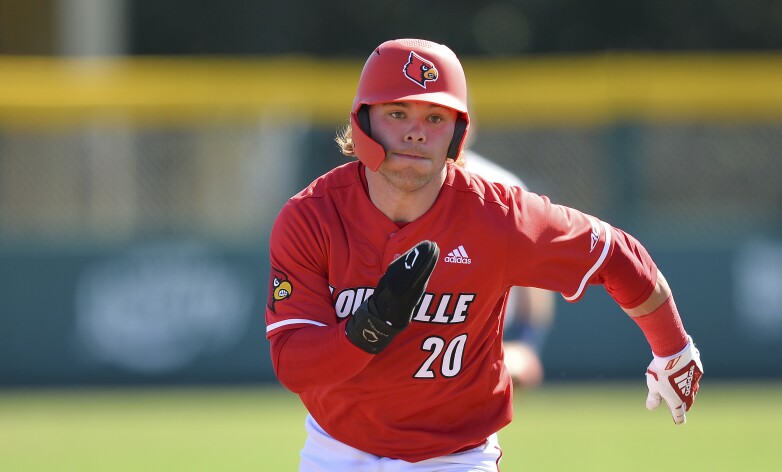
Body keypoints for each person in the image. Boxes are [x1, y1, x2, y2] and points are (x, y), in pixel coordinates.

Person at [265, 38, 703, 471]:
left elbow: (616, 254)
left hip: (455, 456)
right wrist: (370, 328)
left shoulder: (499, 217)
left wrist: (674, 349)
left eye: (435, 117)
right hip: (337, 450)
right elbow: (293, 363)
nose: (416, 130)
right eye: (397, 113)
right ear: (363, 122)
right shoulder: (312, 217)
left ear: (458, 133)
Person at [463, 150, 555, 388]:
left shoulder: (500, 183)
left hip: (487, 343)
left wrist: (527, 344)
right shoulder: (388, 179)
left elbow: (535, 276)